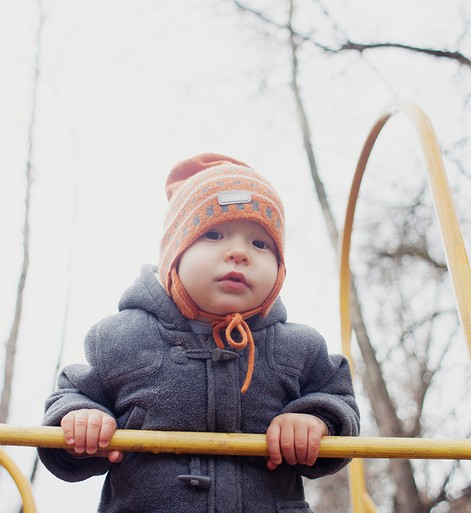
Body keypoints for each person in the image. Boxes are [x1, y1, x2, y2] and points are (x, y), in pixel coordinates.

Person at [38, 153, 360, 513]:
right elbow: (72, 394)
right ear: (175, 255)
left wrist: (315, 420)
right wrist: (80, 418)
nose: (239, 252)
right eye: (213, 234)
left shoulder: (299, 347)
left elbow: (338, 401)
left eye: (260, 244)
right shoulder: (120, 339)